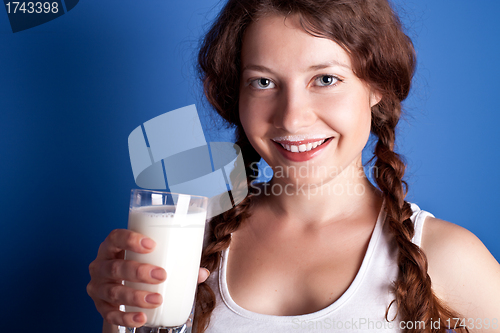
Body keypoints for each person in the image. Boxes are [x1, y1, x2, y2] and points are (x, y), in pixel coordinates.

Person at [87, 0, 500, 332]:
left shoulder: (444, 255)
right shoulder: (187, 240)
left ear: (376, 85)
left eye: (325, 79)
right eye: (263, 82)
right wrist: (120, 319)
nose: (292, 118)